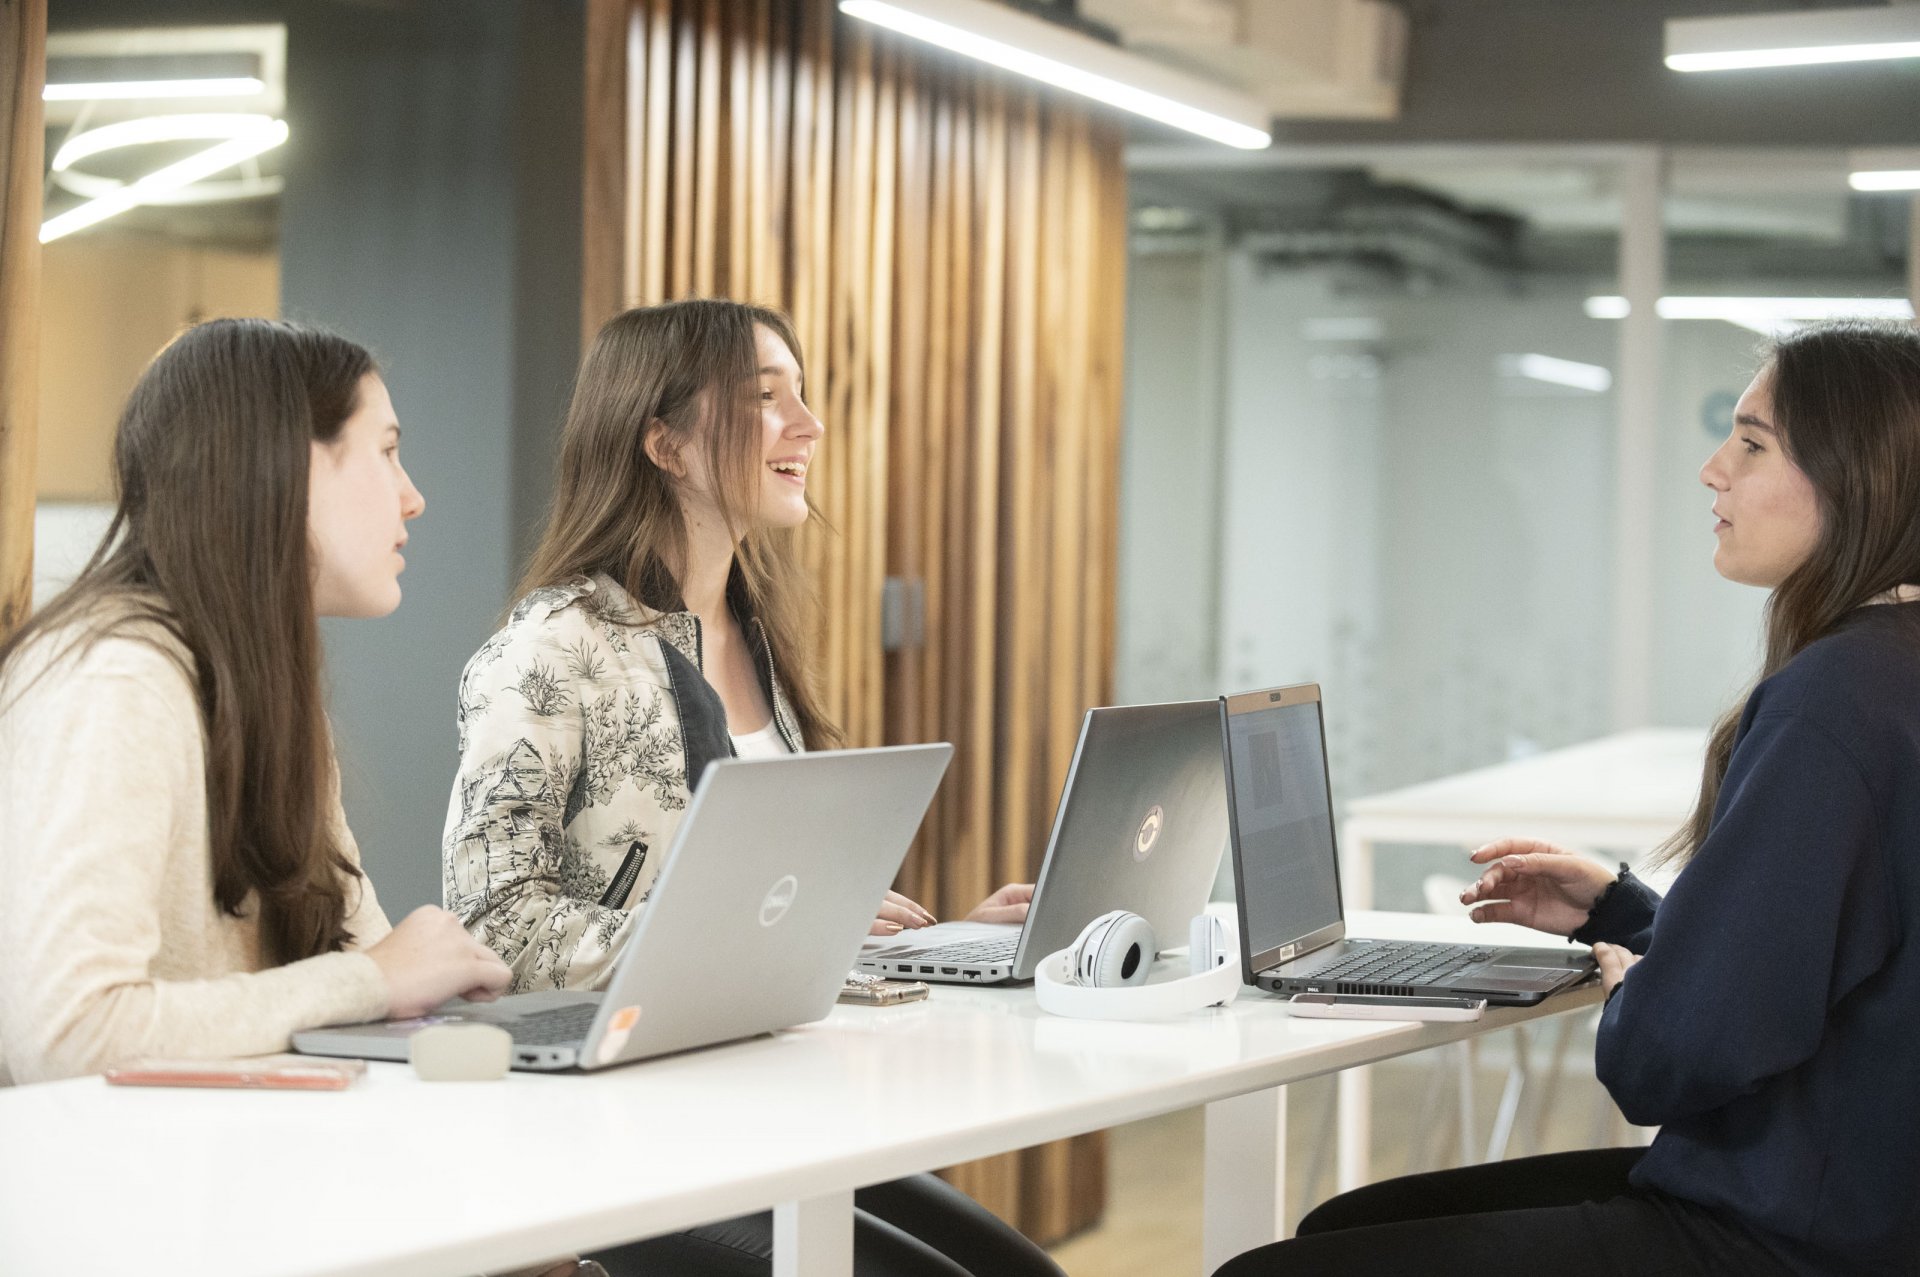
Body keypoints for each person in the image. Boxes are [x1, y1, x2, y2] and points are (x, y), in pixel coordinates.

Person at [1218, 319, 1920, 1277]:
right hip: (1861, 1208)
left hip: (1787, 1236)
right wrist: (1623, 913)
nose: (1714, 469)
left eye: (1752, 443)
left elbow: (1670, 1059)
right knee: (1345, 1227)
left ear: (1862, 476)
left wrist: (1632, 996)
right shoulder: (1892, 677)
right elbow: (1819, 968)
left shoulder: (1835, 699)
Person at [444, 298, 1057, 1277]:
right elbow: (491, 921)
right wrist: (751, 936)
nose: (807, 425)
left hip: (769, 1104)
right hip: (621, 1138)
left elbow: (780, 923)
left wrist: (939, 946)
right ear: (665, 442)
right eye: (766, 399)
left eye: (803, 395)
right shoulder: (551, 649)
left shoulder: (755, 637)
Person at [0, 318, 511, 1088]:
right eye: (387, 452)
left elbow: (369, 966)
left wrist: (416, 981)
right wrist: (372, 982)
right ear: (288, 466)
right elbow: (65, 1031)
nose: (414, 498)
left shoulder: (260, 682)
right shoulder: (119, 679)